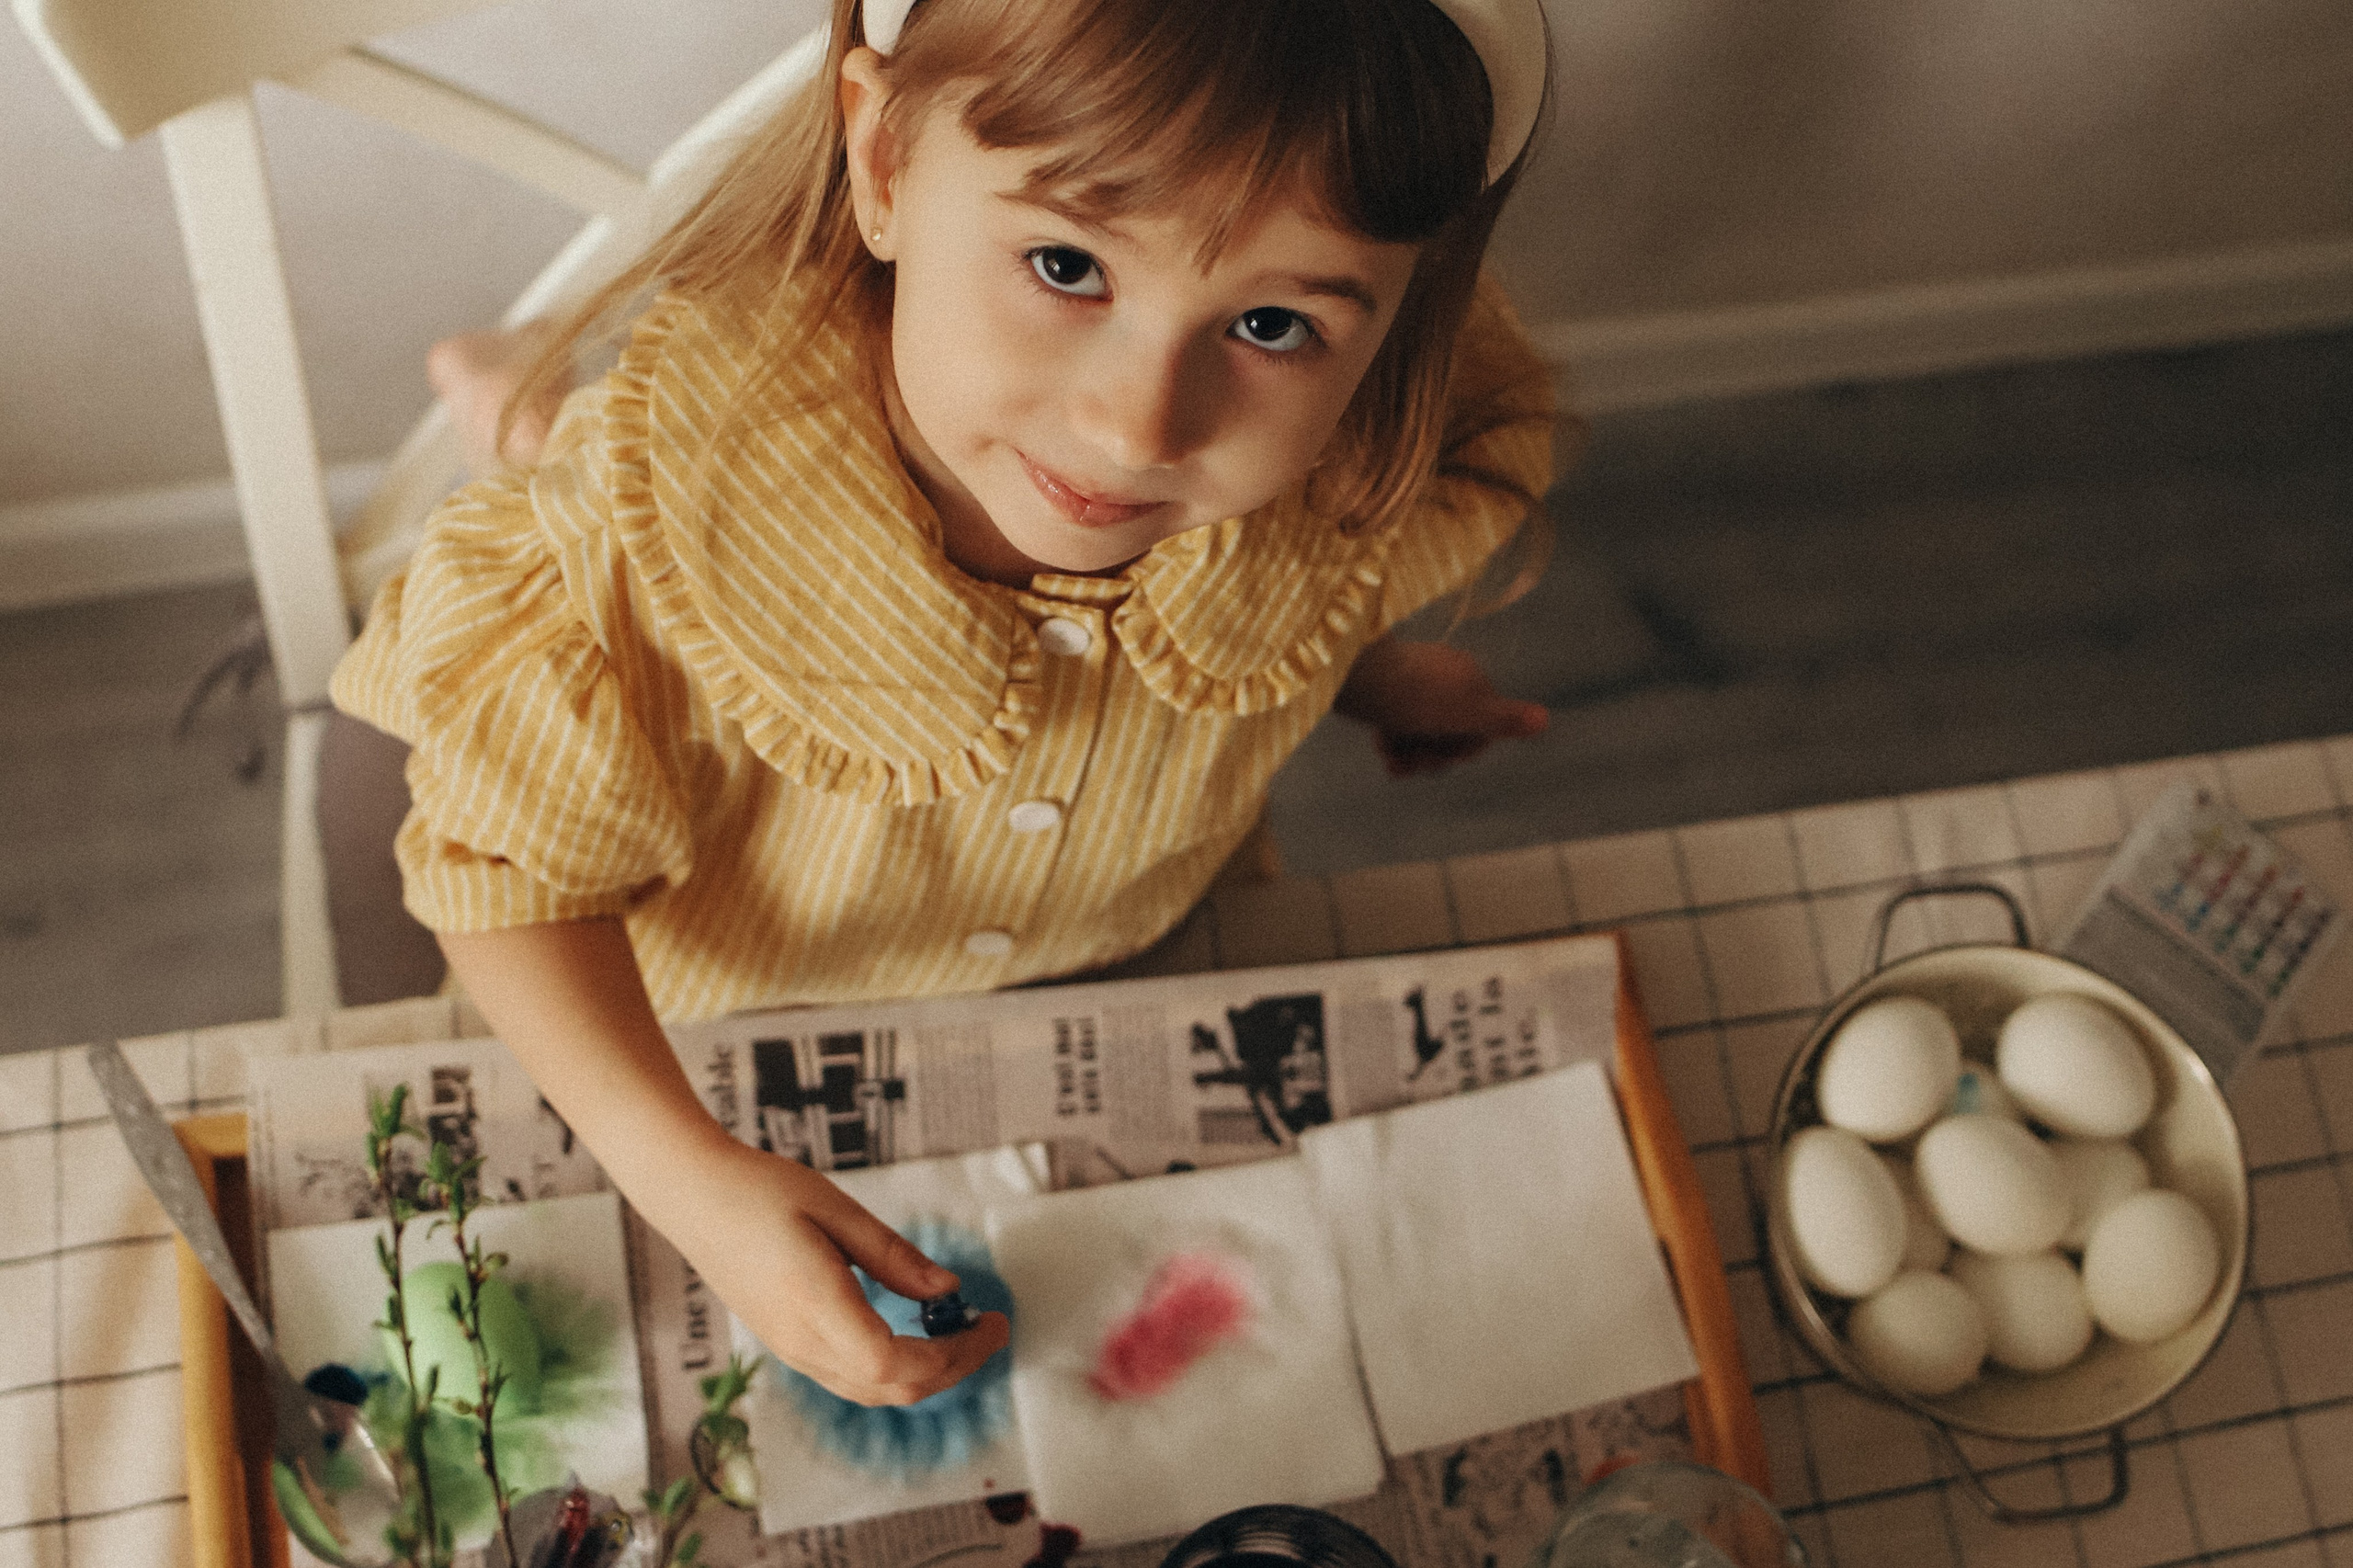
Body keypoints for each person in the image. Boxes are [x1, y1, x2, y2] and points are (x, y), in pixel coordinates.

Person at [337, 0, 1559, 1410]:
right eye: (1065, 264)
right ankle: (518, 400)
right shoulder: (630, 557)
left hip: (1117, 961)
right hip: (706, 1032)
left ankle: (520, 391)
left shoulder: (1332, 479)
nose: (1138, 424)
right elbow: (506, 880)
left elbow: (1248, 606)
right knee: (579, 458)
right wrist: (694, 1176)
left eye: (1271, 323)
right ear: (884, 158)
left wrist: (1361, 669)